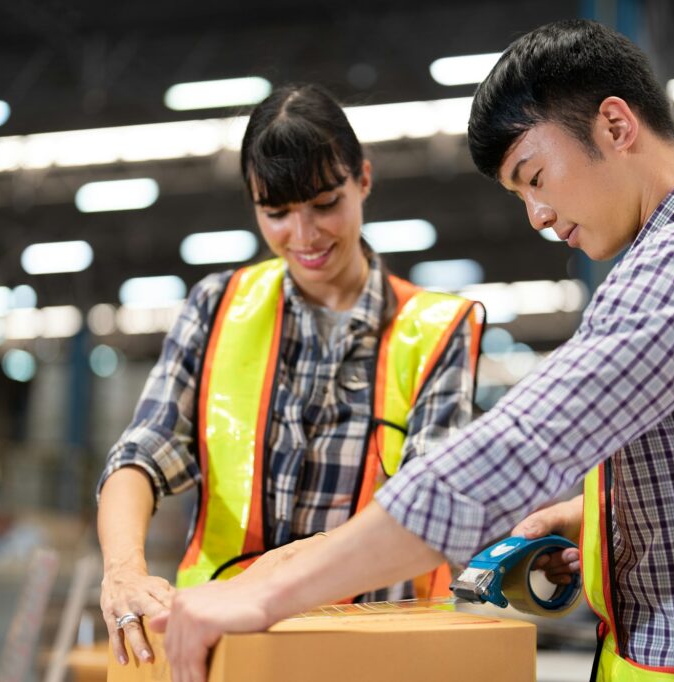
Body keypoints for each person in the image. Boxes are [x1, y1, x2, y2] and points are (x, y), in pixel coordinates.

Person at [150, 18, 674, 682]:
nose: (538, 215)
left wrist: (262, 596)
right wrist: (594, 520)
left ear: (616, 125)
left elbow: (517, 448)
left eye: (535, 177)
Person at [96, 83, 483, 667]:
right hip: (221, 646)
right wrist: (123, 570)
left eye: (325, 203)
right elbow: (142, 452)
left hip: (379, 652)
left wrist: (300, 562)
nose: (303, 238)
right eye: (276, 214)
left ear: (364, 181)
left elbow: (433, 502)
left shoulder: (436, 328)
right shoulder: (216, 307)